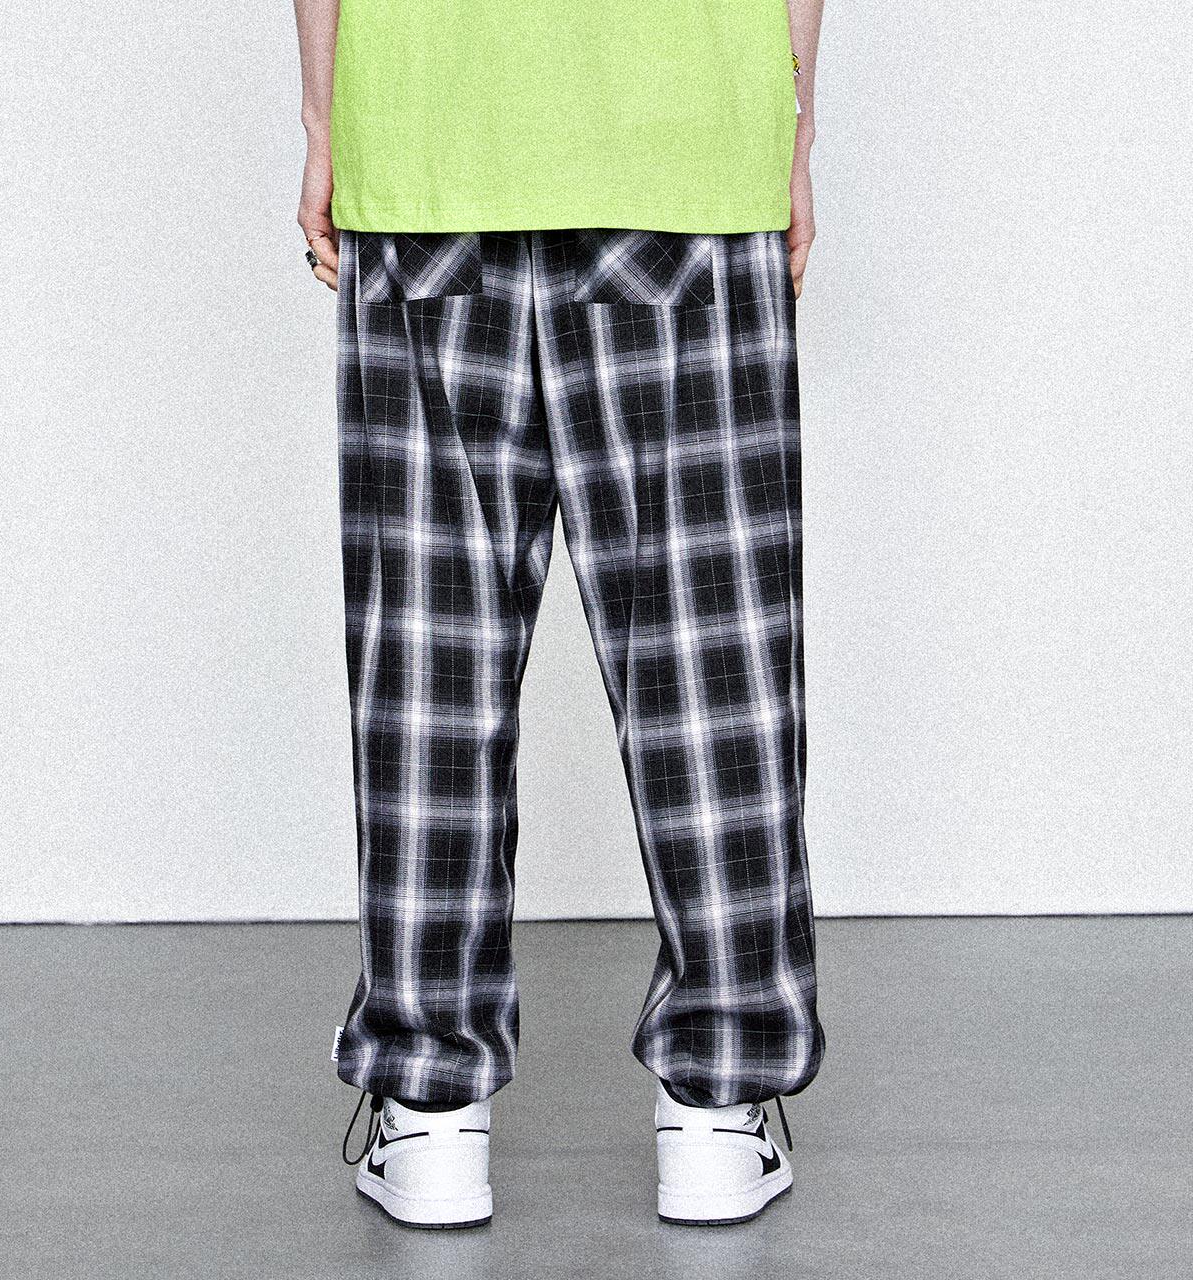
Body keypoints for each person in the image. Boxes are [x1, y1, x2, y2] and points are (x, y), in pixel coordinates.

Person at [293, 0, 826, 1230]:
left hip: (426, 130)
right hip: (686, 136)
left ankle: (428, 1108)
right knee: (708, 648)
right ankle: (717, 1102)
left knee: (428, 644)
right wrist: (789, 126)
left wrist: (325, 118)